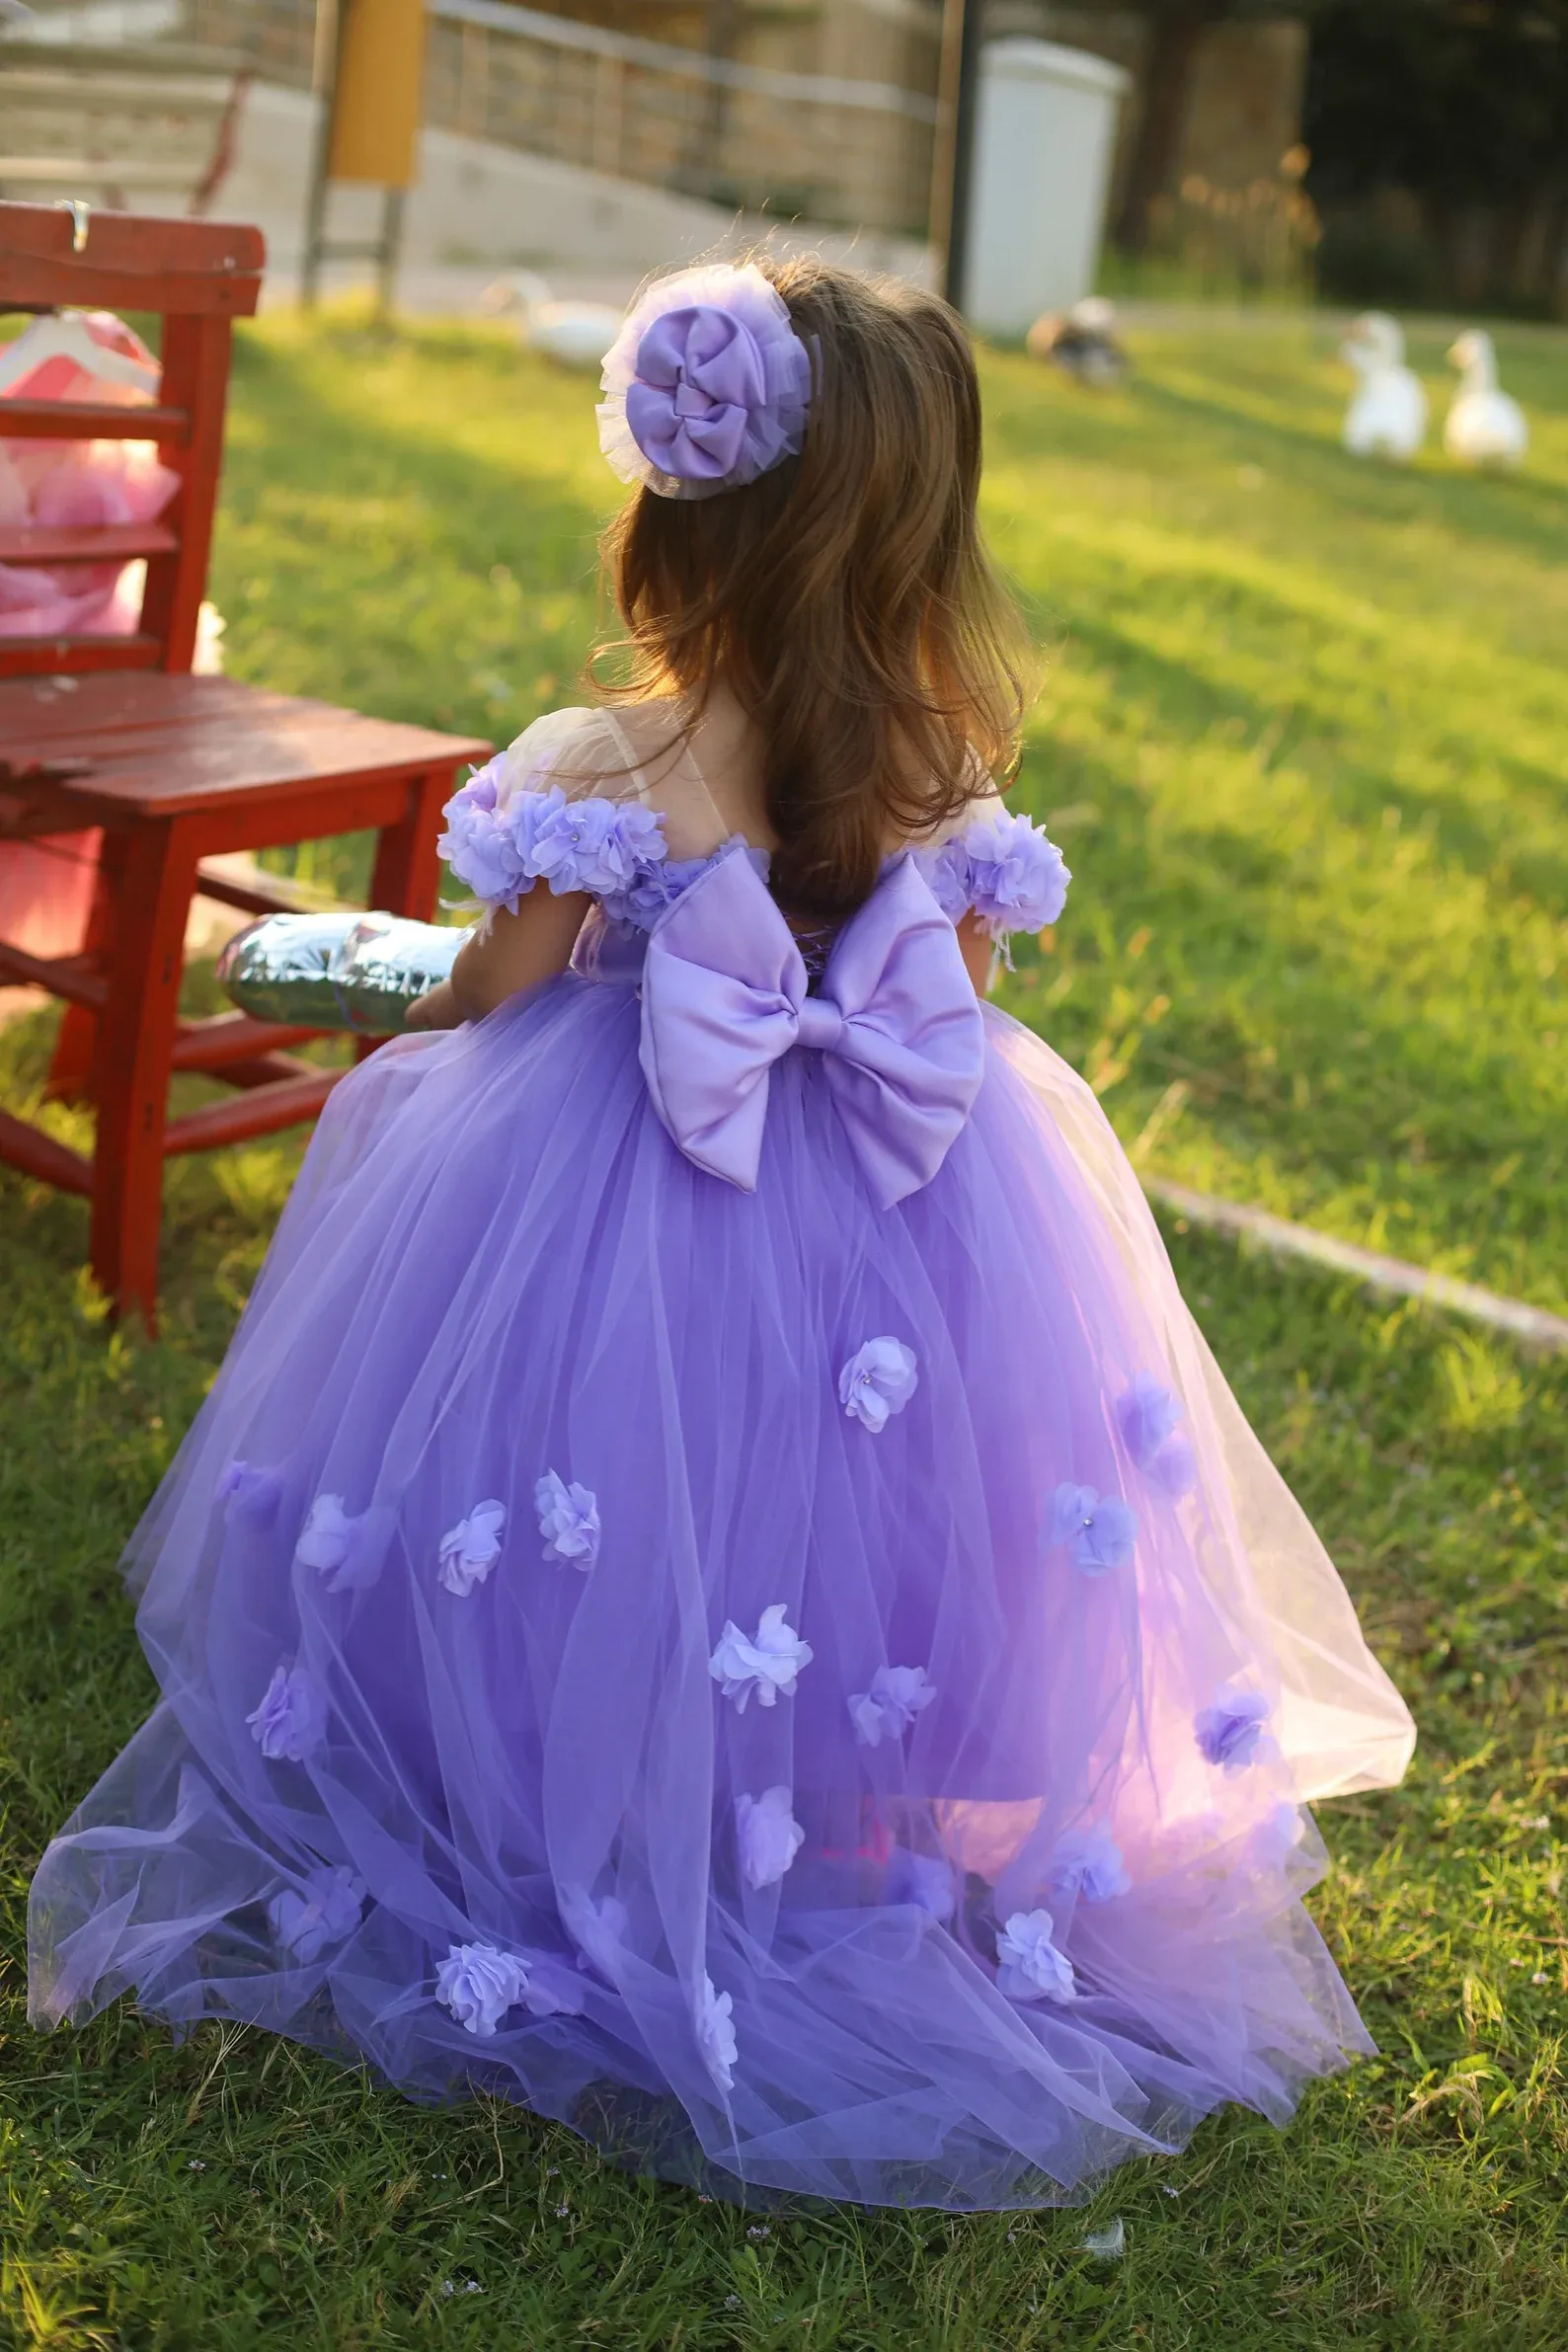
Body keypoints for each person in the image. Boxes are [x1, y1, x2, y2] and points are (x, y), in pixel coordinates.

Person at [28, 258, 1413, 2212]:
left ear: (669, 518)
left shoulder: (601, 768)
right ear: (922, 542)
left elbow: (493, 997)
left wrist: (382, 983)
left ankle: (561, 1781)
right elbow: (950, 988)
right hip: (901, 1208)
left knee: (585, 1483)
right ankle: (850, 1805)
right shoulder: (941, 775)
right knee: (867, 1518)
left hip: (615, 1186)